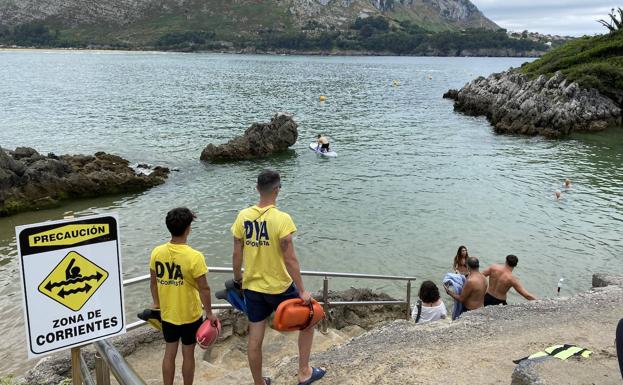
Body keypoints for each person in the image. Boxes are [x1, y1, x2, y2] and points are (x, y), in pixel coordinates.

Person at [231, 169, 326, 385]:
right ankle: (304, 372)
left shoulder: (243, 216)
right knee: (310, 320)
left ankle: (259, 383)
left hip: (253, 287)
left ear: (257, 189)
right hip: (280, 287)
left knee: (255, 338)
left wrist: (238, 280)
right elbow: (290, 258)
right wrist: (302, 290)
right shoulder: (282, 219)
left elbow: (237, 252)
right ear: (278, 190)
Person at [149, 207, 217, 385]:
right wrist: (209, 314)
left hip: (168, 314)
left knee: (169, 353)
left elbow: (153, 283)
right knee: (188, 355)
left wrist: (157, 305)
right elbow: (204, 289)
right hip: (190, 315)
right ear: (188, 229)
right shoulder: (194, 257)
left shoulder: (157, 252)